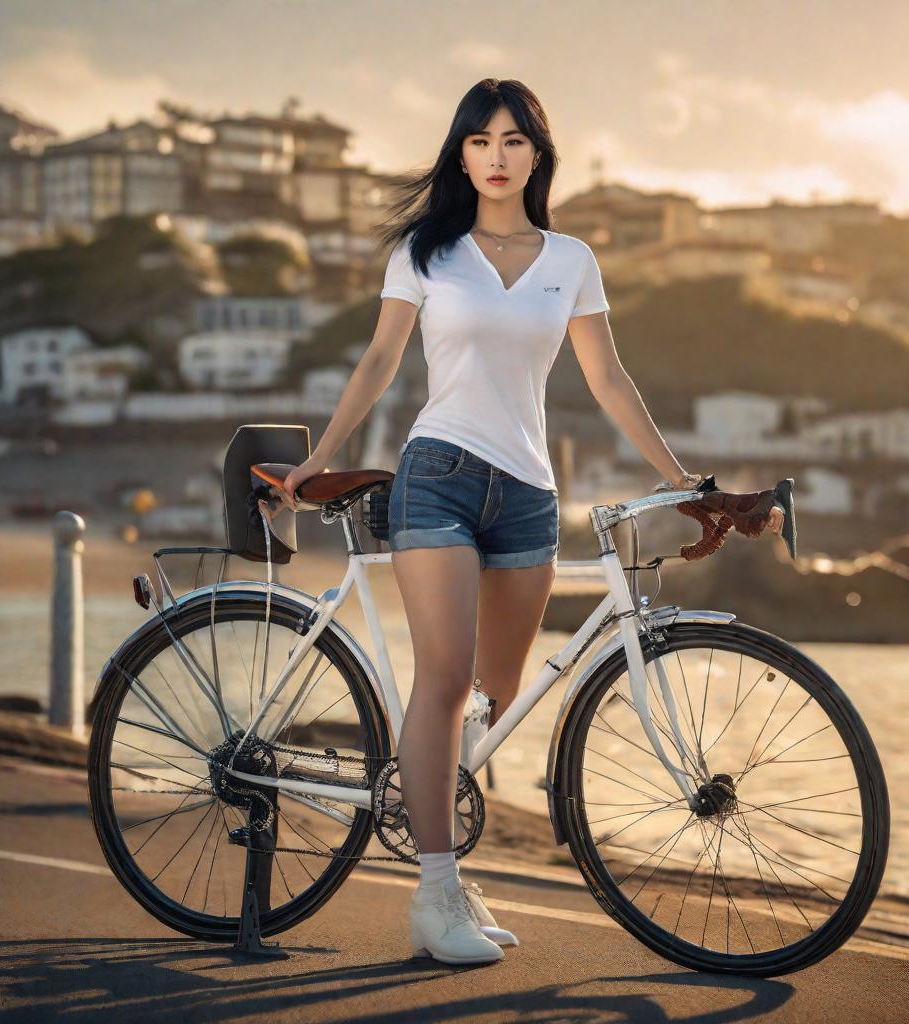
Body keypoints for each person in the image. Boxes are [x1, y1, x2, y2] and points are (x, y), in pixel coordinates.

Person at [281, 78, 783, 966]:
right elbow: (379, 360)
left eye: (515, 141)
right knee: (440, 682)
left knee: (495, 695)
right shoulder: (426, 254)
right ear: (462, 154)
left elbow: (608, 382)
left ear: (537, 155)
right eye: (481, 141)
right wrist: (323, 452)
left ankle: (439, 843)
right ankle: (433, 893)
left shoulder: (571, 259)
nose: (497, 156)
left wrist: (684, 482)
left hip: (528, 493)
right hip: (435, 476)